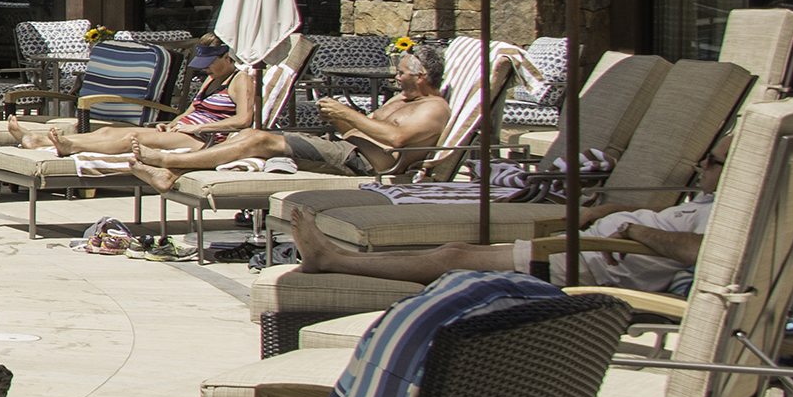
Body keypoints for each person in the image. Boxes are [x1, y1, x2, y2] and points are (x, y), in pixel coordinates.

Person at [287, 149, 724, 294]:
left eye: (715, 161)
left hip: (592, 263)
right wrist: (603, 214)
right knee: (455, 254)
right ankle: (336, 256)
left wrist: (634, 230)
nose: (703, 163)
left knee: (454, 255)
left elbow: (699, 252)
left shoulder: (730, 218)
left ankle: (332, 260)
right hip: (591, 242)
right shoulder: (711, 199)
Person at [128, 44, 453, 183]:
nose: (396, 77)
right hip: (345, 149)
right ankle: (171, 175)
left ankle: (168, 162)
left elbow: (397, 139)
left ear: (421, 75)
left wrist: (350, 116)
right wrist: (338, 117)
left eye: (403, 74)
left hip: (362, 163)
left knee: (257, 139)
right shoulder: (402, 101)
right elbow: (369, 127)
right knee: (249, 139)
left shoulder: (434, 108)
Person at [5, 39, 248, 158]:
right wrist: (175, 122)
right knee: (108, 131)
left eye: (210, 63)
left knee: (132, 137)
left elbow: (244, 120)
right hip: (185, 130)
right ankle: (39, 140)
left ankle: (71, 146)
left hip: (207, 140)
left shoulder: (241, 80)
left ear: (227, 57)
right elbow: (191, 110)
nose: (205, 69)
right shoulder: (212, 79)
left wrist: (202, 127)